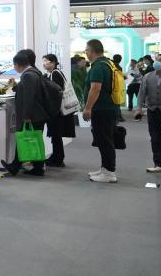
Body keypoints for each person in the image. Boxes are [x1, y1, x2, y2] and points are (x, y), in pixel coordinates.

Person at [2, 49, 48, 176]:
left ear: (18, 64)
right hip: (37, 113)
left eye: (14, 65)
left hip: (32, 115)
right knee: (34, 140)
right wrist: (16, 86)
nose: (14, 67)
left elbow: (29, 97)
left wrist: (27, 115)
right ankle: (36, 168)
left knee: (25, 139)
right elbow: (26, 91)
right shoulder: (34, 73)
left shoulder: (28, 75)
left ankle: (16, 166)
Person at [83, 39, 120, 183]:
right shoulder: (108, 63)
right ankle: (105, 168)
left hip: (102, 109)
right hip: (108, 108)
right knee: (104, 139)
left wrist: (88, 108)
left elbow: (95, 88)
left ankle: (109, 173)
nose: (85, 52)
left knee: (104, 140)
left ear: (92, 51)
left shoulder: (98, 66)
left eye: (86, 49)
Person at [42, 54, 76, 167]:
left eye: (46, 61)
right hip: (58, 110)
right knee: (56, 135)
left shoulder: (55, 73)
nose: (44, 63)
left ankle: (58, 158)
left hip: (57, 111)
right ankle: (57, 156)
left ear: (53, 62)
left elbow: (56, 92)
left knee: (56, 134)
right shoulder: (54, 73)